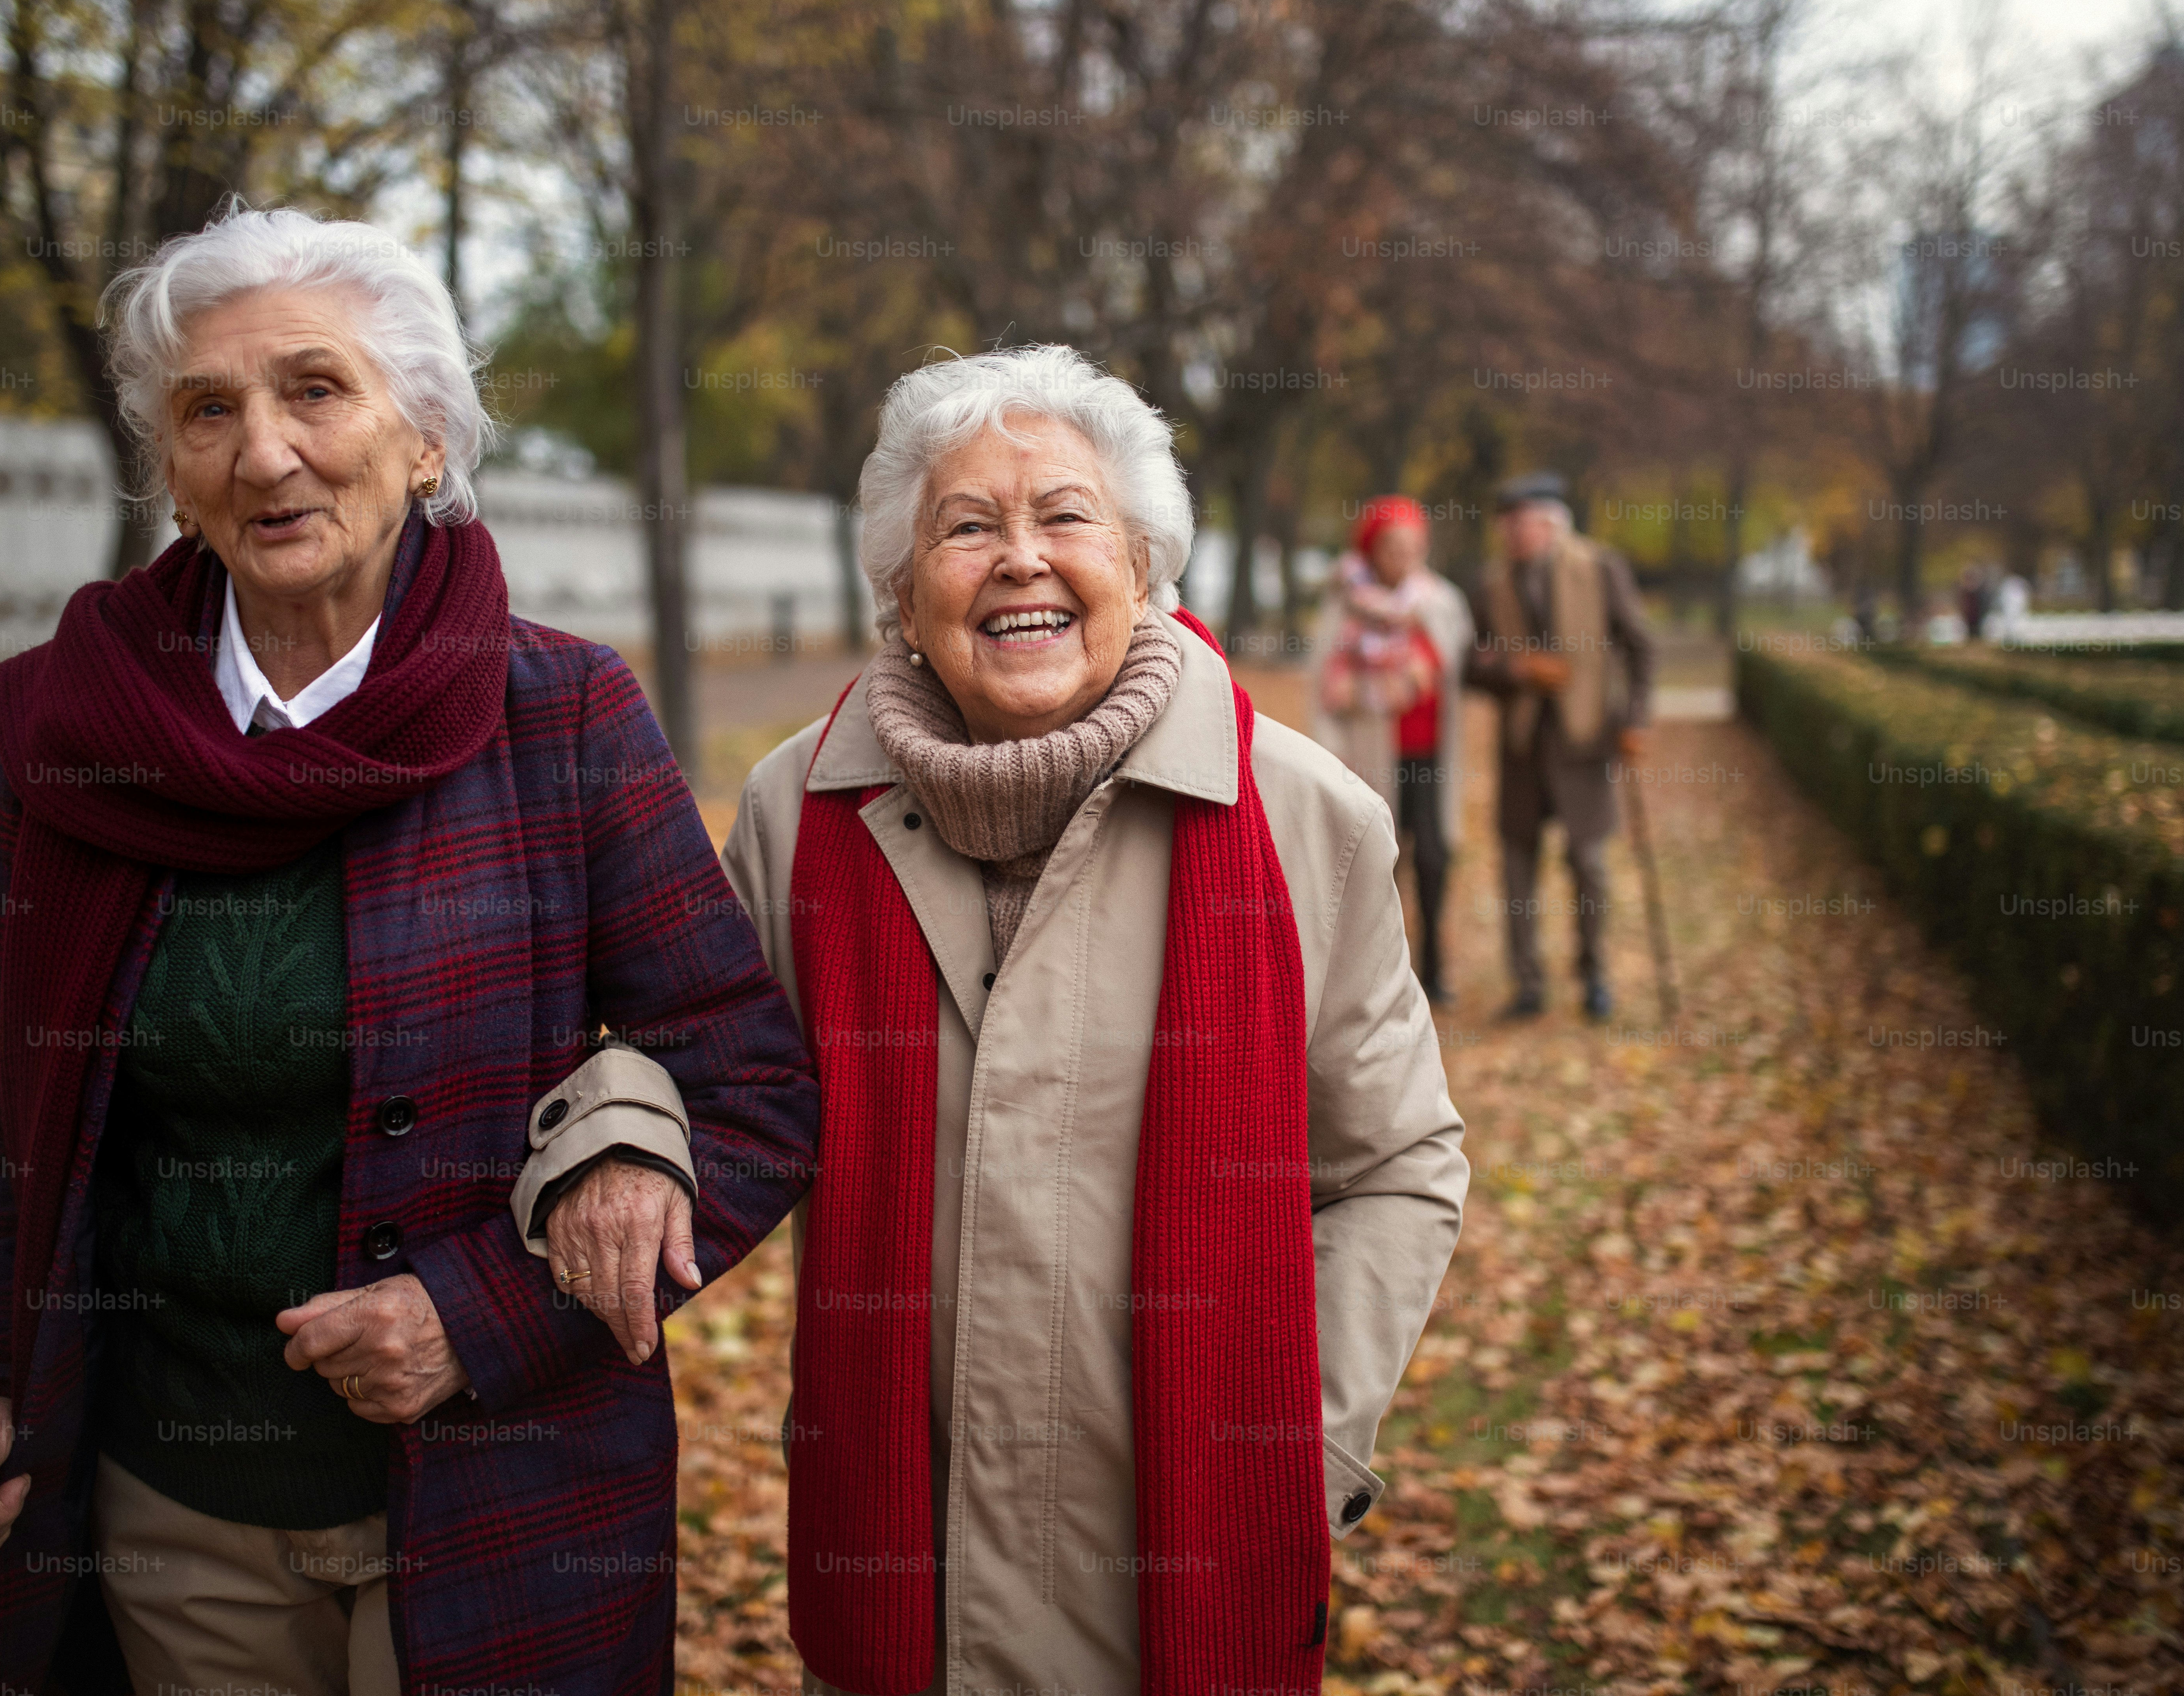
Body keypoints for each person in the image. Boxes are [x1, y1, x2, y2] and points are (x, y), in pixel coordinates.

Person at [0, 203, 819, 1696]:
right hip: (172, 1500)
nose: (265, 454)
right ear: (173, 472)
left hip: (503, 1497)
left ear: (425, 440)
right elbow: (6, 1112)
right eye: (211, 411)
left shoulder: (560, 713)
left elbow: (754, 1089)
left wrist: (482, 1315)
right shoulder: (74, 732)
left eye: (316, 391)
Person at [562, 345, 1468, 1692]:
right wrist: (623, 1133)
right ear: (905, 589)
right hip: (898, 1577)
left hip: (1179, 1560)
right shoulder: (795, 812)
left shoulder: (1295, 814)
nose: (1020, 560)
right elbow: (690, 1050)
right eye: (968, 526)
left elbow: (1394, 1166)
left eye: (1066, 518)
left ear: (1145, 565)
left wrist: (1297, 1448)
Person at [1462, 471, 1655, 1021]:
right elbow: (1473, 664)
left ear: (1550, 524)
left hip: (1586, 740)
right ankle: (1527, 984)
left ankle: (1595, 976)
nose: (1511, 534)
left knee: (1589, 862)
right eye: (1506, 525)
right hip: (1522, 748)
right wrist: (1517, 670)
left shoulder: (1599, 568)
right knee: (1517, 866)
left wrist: (1635, 719)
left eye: (1520, 523)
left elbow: (1641, 647)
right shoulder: (1491, 584)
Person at [1311, 495, 1472, 1003]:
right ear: (1372, 549)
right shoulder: (1345, 602)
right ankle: (1382, 974)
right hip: (1368, 755)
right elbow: (1324, 686)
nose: (1403, 555)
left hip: (1432, 754)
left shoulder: (1440, 602)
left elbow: (1458, 664)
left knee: (1435, 857)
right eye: (1392, 546)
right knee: (1379, 861)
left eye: (1412, 546)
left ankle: (1435, 970)